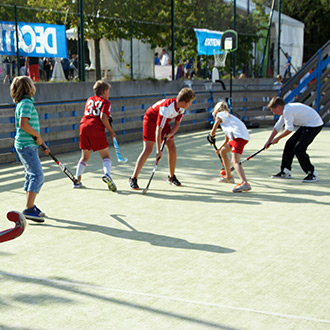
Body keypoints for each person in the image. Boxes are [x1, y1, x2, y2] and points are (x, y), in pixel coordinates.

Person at [129, 88, 196, 190]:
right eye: (190, 102)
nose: (190, 105)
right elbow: (158, 130)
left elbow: (177, 124)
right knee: (148, 149)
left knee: (172, 148)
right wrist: (158, 150)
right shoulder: (167, 108)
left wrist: (170, 134)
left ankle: (172, 177)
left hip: (162, 123)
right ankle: (133, 178)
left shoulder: (182, 108)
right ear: (183, 102)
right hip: (151, 120)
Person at [11, 76, 50, 222]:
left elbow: (27, 128)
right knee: (37, 176)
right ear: (29, 88)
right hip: (27, 145)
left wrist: (42, 144)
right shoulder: (26, 103)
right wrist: (38, 136)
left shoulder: (22, 103)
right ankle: (28, 208)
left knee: (30, 175)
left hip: (27, 144)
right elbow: (24, 125)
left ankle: (30, 206)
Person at [265, 97, 323, 182]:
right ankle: (285, 171)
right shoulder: (285, 110)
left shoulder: (287, 110)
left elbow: (289, 129)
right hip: (306, 125)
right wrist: (269, 141)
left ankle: (312, 173)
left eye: (274, 111)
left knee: (299, 148)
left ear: (279, 107)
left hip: (314, 125)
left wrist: (277, 139)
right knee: (289, 144)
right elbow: (278, 126)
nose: (274, 113)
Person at [73, 80, 117, 191]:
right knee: (106, 156)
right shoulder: (106, 102)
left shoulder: (89, 100)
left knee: (84, 157)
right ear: (105, 91)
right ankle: (107, 175)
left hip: (83, 126)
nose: (109, 94)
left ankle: (76, 180)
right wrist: (111, 131)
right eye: (109, 91)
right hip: (95, 128)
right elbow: (102, 117)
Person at [208, 100, 251, 193]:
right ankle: (229, 177)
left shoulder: (220, 115)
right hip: (241, 137)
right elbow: (227, 140)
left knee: (235, 161)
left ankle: (245, 183)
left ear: (216, 111)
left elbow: (214, 127)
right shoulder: (229, 120)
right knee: (223, 151)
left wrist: (211, 135)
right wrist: (219, 149)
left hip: (239, 137)